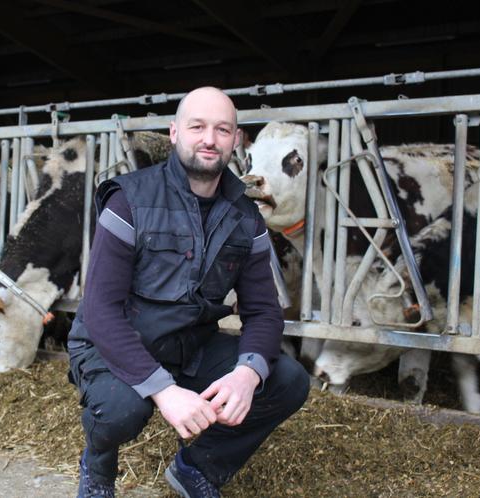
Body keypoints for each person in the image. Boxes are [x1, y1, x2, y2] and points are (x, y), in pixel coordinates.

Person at [67, 86, 310, 498]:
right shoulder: (129, 200)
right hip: (115, 347)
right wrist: (163, 390)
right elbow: (100, 309)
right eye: (197, 126)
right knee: (122, 410)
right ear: (175, 132)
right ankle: (98, 462)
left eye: (222, 129)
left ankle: (198, 469)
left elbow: (265, 312)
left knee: (286, 379)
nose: (210, 139)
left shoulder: (246, 216)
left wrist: (247, 375)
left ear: (236, 140)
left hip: (190, 347)